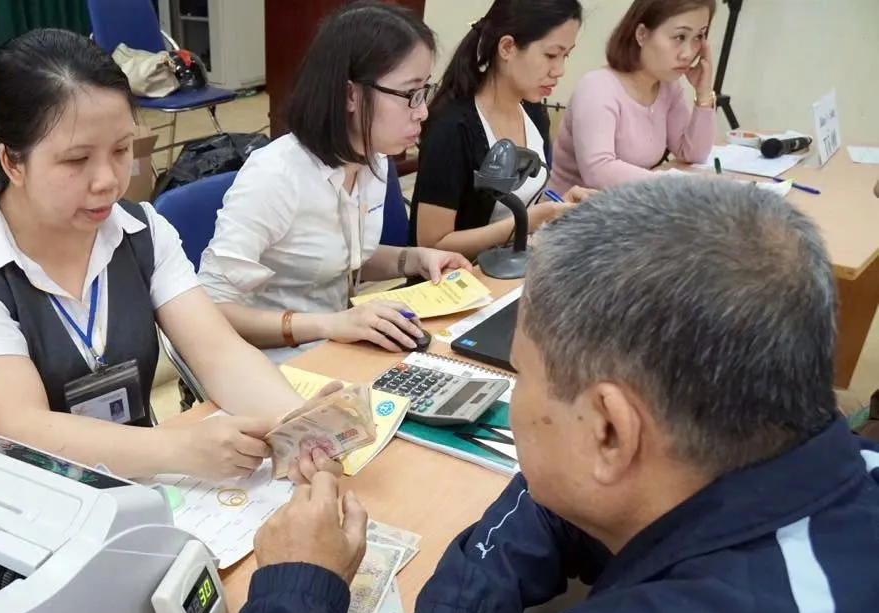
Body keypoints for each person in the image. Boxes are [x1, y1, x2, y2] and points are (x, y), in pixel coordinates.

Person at [200, 176, 879, 613]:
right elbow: (557, 499)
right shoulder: (799, 472)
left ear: (609, 429)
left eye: (521, 375)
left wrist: (296, 590)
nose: (515, 399)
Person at [0, 29, 338, 483]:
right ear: (13, 163)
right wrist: (178, 449)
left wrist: (297, 425)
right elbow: (23, 426)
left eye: (122, 150)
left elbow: (218, 352)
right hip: (25, 493)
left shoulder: (143, 230)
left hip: (135, 477)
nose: (107, 180)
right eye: (76, 160)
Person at [197, 2, 467, 363]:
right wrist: (330, 324)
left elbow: (341, 258)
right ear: (349, 95)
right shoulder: (276, 177)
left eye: (425, 91)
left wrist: (415, 259)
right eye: (410, 95)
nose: (423, 111)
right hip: (268, 362)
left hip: (336, 346)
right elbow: (210, 311)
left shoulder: (373, 158)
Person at [409, 0, 591, 259]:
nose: (560, 70)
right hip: (457, 283)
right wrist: (528, 221)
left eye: (566, 55)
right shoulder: (452, 127)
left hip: (511, 268)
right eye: (551, 55)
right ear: (507, 47)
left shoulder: (533, 112)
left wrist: (558, 205)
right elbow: (431, 243)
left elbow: (520, 203)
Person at [548, 0, 717, 193]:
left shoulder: (668, 87)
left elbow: (692, 153)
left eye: (699, 37)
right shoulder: (597, 87)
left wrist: (704, 94)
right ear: (642, 34)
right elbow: (598, 170)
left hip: (628, 208)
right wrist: (668, 184)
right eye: (679, 37)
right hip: (574, 212)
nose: (688, 53)